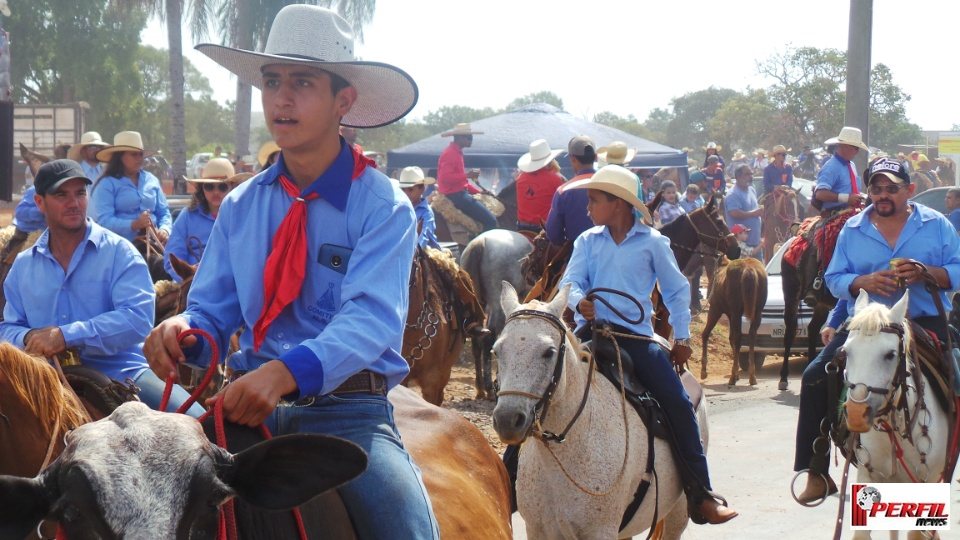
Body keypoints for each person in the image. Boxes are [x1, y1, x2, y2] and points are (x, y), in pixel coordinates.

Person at [145, 6, 439, 538]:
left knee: (405, 527)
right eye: (272, 82)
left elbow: (371, 321)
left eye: (301, 83)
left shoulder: (383, 206)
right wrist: (184, 331)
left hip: (348, 415)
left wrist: (282, 375)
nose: (281, 98)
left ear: (342, 101)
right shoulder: (239, 206)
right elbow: (213, 309)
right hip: (243, 412)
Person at [559, 164, 738, 525]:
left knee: (676, 402)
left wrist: (682, 337)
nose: (588, 208)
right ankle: (510, 480)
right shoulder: (586, 241)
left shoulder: (654, 243)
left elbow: (676, 290)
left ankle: (701, 495)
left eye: (594, 200)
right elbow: (571, 282)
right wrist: (579, 301)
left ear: (620, 204)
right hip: (589, 336)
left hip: (636, 340)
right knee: (541, 386)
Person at [794, 157, 960, 502]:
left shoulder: (938, 225)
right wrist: (861, 281)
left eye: (891, 189)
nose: (882, 195)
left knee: (957, 377)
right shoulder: (852, 229)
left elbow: (957, 269)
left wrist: (929, 273)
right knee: (814, 376)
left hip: (924, 319)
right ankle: (816, 468)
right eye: (876, 188)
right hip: (867, 322)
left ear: (909, 190)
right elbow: (835, 278)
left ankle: (948, 465)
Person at [0, 160, 203, 416]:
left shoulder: (120, 252)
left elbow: (138, 319)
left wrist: (65, 335)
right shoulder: (23, 265)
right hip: (43, 379)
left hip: (122, 374)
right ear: (40, 203)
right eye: (61, 195)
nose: (73, 203)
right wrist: (28, 338)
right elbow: (7, 327)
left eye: (80, 193)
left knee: (200, 421)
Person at [164, 158, 250, 282]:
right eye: (209, 186)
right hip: (191, 284)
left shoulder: (245, 217)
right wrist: (189, 279)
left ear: (233, 187)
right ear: (201, 189)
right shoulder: (187, 216)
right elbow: (172, 258)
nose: (215, 192)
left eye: (222, 186)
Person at [91, 131, 172, 243]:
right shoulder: (106, 184)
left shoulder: (152, 180)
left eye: (140, 154)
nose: (139, 158)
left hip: (153, 242)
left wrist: (165, 229)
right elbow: (104, 221)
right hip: (119, 245)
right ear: (120, 157)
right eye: (134, 154)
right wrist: (134, 224)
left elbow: (163, 212)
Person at [437, 123, 497, 233]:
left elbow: (462, 183)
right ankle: (482, 249)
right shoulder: (450, 153)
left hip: (459, 194)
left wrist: (480, 192)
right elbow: (445, 177)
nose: (471, 140)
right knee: (491, 221)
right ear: (459, 137)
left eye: (471, 137)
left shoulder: (456, 152)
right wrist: (467, 175)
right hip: (456, 196)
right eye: (469, 137)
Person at [544, 135, 596, 246]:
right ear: (595, 157)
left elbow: (553, 233)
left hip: (575, 252)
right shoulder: (611, 185)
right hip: (610, 253)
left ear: (573, 159)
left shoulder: (564, 191)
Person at [813, 127, 870, 214]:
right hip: (835, 214)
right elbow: (820, 194)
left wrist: (861, 196)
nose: (857, 152)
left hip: (852, 211)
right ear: (845, 146)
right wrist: (846, 198)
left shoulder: (851, 165)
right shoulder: (830, 167)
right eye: (856, 148)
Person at [515, 139, 564, 233]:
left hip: (521, 226)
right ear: (551, 161)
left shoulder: (521, 177)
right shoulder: (555, 179)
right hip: (542, 229)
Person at [725, 164, 763, 261]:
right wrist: (753, 213)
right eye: (747, 174)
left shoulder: (751, 190)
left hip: (755, 241)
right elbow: (734, 213)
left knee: (759, 274)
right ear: (738, 177)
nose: (750, 176)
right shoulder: (733, 194)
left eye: (751, 174)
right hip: (741, 245)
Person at [397, 166, 440, 249]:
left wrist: (414, 250)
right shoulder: (399, 209)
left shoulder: (426, 211)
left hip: (425, 251)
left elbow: (424, 235)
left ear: (422, 189)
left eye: (410, 189)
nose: (406, 193)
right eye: (403, 190)